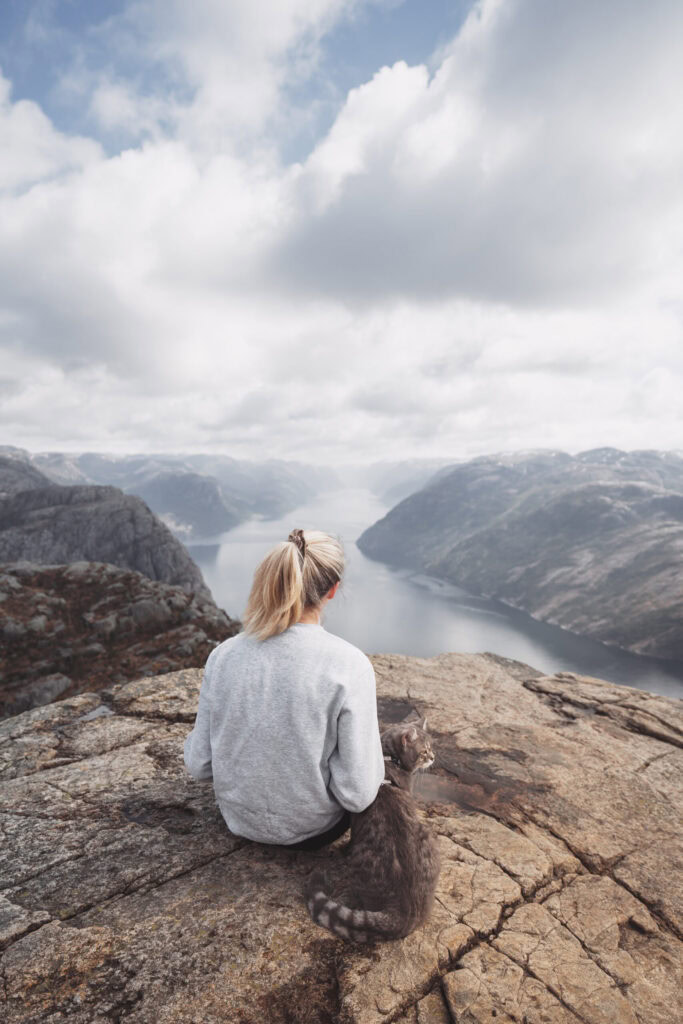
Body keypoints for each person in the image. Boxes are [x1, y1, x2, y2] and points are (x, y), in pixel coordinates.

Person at [183, 528, 385, 850]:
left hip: (238, 821)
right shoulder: (349, 665)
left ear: (272, 581)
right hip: (315, 831)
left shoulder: (223, 656)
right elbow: (357, 794)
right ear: (333, 590)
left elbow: (200, 764)